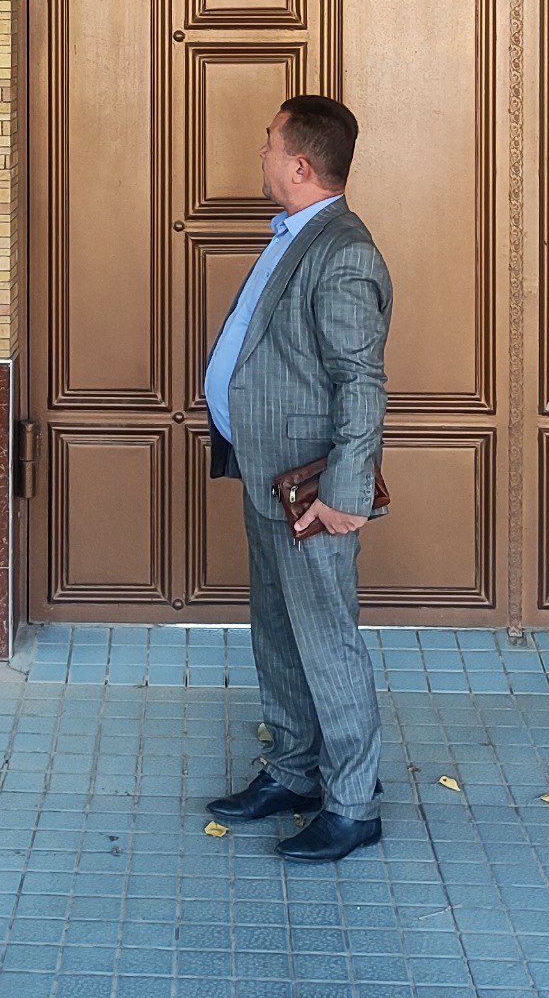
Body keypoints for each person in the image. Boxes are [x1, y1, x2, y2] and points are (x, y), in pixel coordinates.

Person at [202, 94, 393, 862]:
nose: (261, 153)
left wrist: (346, 493)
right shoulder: (293, 234)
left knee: (325, 640)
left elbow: (361, 381)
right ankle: (293, 770)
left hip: (312, 493)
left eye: (269, 143)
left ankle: (352, 804)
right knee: (279, 631)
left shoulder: (343, 251)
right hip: (266, 476)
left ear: (301, 164)